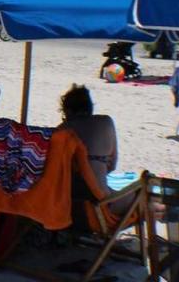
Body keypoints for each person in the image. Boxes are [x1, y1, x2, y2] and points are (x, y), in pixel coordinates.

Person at [58, 84, 137, 215]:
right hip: (100, 206)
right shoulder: (104, 123)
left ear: (66, 110)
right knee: (141, 198)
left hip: (67, 207)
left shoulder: (60, 130)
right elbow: (112, 165)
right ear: (89, 107)